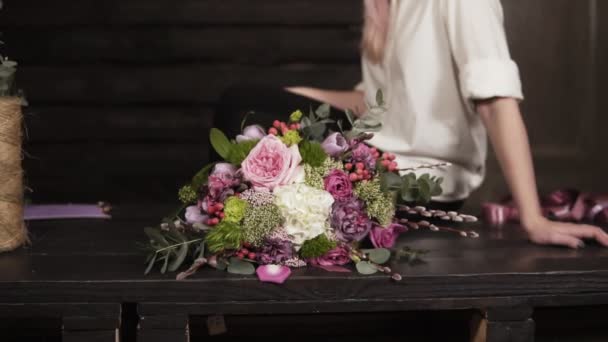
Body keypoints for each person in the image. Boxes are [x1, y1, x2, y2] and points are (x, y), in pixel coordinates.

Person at [217, 0, 608, 249]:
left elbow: (497, 104)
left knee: (278, 187)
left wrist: (533, 218)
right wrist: (288, 99)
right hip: (377, 152)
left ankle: (234, 221)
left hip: (421, 181)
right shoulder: (383, 6)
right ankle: (227, 215)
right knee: (242, 102)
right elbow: (373, 103)